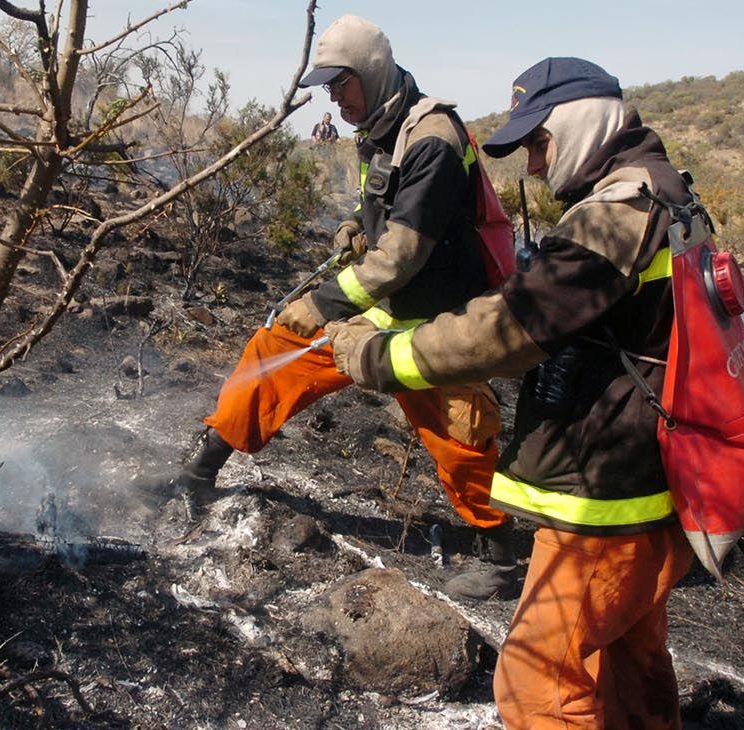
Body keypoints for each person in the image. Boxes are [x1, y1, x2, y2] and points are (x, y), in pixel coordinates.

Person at [327, 57, 696, 728]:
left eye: (539, 142)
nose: (533, 164)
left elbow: (508, 331)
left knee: (536, 682)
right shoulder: (666, 192)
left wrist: (378, 357)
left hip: (607, 499)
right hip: (652, 486)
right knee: (628, 662)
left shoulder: (618, 215)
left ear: (581, 122)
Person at [144, 15, 520, 600]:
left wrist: (322, 304)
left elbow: (402, 256)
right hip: (388, 305)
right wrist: (354, 224)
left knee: (460, 434)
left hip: (441, 318)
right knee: (275, 349)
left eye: (340, 85)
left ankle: (499, 555)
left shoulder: (432, 139)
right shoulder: (379, 126)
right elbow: (384, 208)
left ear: (370, 73)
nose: (333, 99)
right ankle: (200, 473)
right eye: (328, 88)